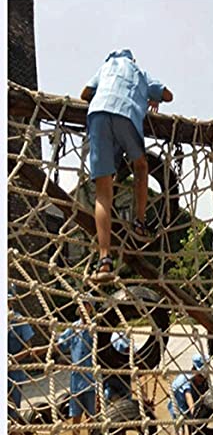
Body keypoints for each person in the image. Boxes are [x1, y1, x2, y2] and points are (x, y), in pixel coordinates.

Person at [80, 48, 174, 283]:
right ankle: (140, 223)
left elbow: (84, 93)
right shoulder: (139, 71)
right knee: (141, 166)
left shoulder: (105, 68)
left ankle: (104, 260)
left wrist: (103, 93)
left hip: (98, 115)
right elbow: (169, 95)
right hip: (126, 114)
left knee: (103, 191)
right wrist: (152, 97)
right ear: (132, 60)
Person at [57, 296, 97, 435]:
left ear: (91, 308)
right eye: (81, 304)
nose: (83, 307)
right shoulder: (73, 327)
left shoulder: (95, 327)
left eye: (86, 304)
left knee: (92, 419)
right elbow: (61, 344)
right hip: (76, 381)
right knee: (75, 418)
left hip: (92, 380)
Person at [158, 353, 209, 435]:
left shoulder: (204, 381)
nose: (202, 378)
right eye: (200, 375)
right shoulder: (185, 381)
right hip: (178, 406)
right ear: (193, 370)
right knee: (179, 433)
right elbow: (188, 398)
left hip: (192, 406)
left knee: (192, 432)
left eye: (204, 375)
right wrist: (193, 413)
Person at [7, 284, 35, 435]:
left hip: (13, 376)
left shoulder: (18, 320)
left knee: (12, 420)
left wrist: (11, 360)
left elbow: (30, 348)